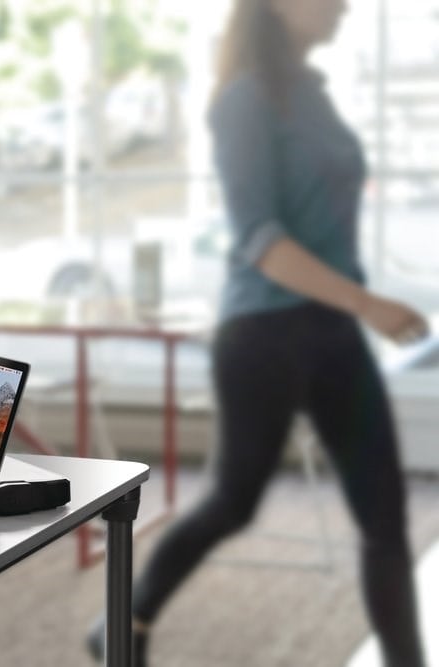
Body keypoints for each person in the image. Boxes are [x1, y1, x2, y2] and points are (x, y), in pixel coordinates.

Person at [86, 0, 429, 665]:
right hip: (263, 336)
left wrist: (354, 308)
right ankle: (124, 616)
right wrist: (369, 303)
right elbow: (263, 242)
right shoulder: (242, 101)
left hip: (333, 336)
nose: (342, 5)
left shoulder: (313, 94)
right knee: (235, 502)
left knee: (384, 518)